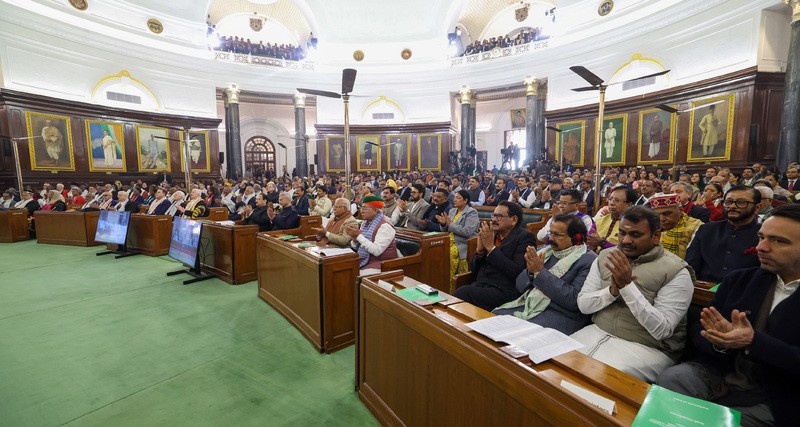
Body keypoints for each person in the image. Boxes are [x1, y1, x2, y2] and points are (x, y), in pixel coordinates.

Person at [656, 205, 800, 426]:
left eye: (778, 241)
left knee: (720, 422)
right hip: (723, 371)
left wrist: (754, 342)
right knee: (672, 379)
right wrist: (719, 342)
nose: (761, 247)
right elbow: (700, 331)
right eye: (761, 237)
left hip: (779, 390)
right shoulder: (740, 279)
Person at [573, 206, 695, 382]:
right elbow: (583, 305)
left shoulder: (676, 271)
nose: (626, 240)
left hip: (649, 347)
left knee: (596, 380)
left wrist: (627, 287)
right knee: (555, 363)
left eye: (636, 235)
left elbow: (662, 330)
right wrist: (612, 291)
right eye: (622, 233)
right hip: (598, 331)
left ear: (656, 236)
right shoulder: (605, 256)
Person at [494, 214, 598, 335]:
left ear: (575, 238)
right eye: (550, 233)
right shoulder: (545, 252)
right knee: (493, 319)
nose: (551, 239)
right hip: (529, 305)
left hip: (560, 315)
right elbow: (519, 286)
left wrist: (539, 272)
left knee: (517, 336)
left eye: (557, 235)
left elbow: (574, 301)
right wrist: (530, 272)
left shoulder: (588, 260)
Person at [453, 201, 537, 311]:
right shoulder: (492, 235)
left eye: (499, 216)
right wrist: (480, 251)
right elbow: (473, 270)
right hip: (481, 285)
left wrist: (491, 248)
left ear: (514, 220)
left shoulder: (524, 237)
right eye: (493, 215)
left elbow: (517, 272)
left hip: (504, 290)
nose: (493, 219)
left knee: (462, 293)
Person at [686, 185, 762, 283]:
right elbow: (691, 265)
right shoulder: (707, 229)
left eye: (742, 202)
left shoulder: (765, 235)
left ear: (757, 207)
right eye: (728, 202)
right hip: (703, 290)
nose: (733, 206)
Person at [434, 189, 480, 279]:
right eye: (454, 197)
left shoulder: (471, 212)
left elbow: (467, 231)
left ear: (465, 200)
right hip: (449, 240)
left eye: (458, 198)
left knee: (447, 254)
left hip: (462, 243)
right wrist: (443, 224)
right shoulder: (452, 211)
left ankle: (450, 282)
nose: (455, 200)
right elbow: (446, 230)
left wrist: (450, 224)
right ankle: (438, 281)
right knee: (435, 252)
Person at [347, 195, 397, 275]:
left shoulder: (385, 226)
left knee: (351, 275)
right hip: (367, 260)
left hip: (382, 264)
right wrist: (354, 238)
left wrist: (359, 236)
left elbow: (376, 251)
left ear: (375, 210)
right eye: (361, 208)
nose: (361, 211)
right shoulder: (365, 223)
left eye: (364, 208)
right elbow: (355, 246)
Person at [650, 194, 703, 259]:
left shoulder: (697, 227)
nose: (662, 219)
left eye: (667, 214)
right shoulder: (651, 229)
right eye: (657, 215)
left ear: (680, 210)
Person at [587, 186, 636, 252]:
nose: (611, 203)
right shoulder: (600, 220)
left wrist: (601, 243)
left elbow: (628, 249)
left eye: (617, 200)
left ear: (629, 205)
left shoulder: (634, 224)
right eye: (610, 199)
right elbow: (588, 240)